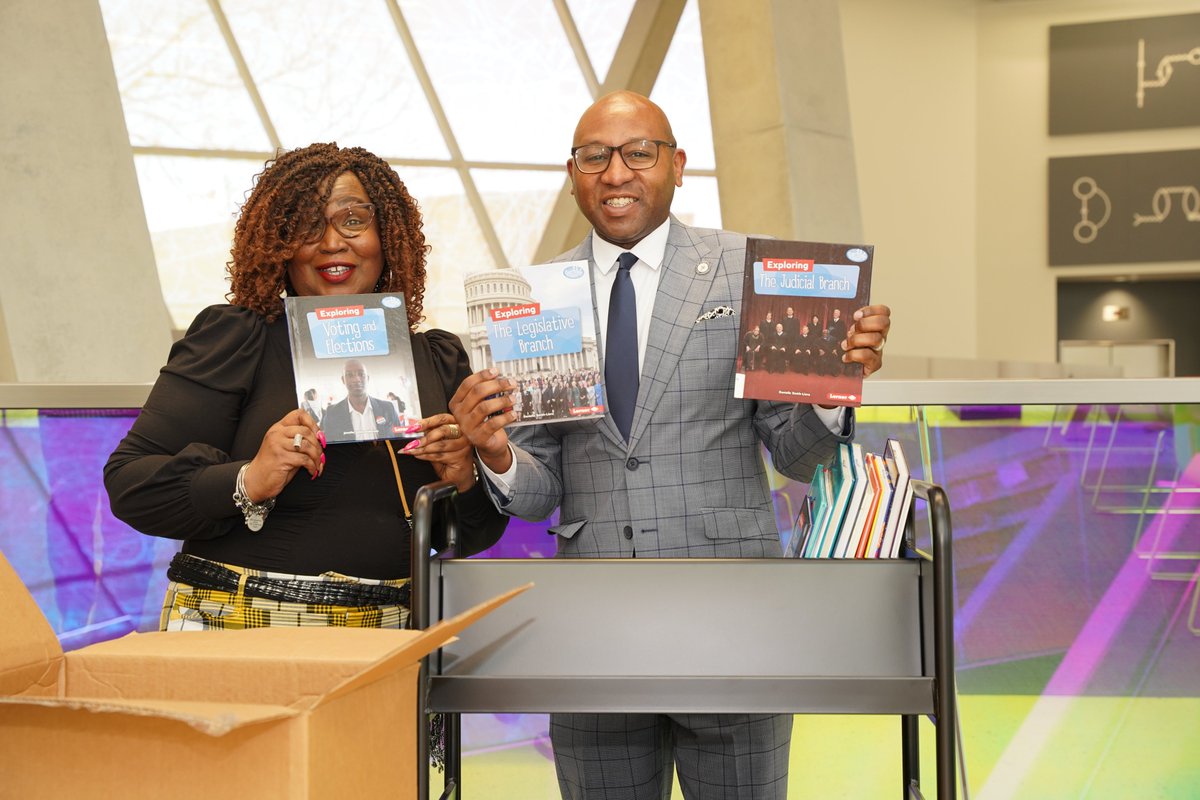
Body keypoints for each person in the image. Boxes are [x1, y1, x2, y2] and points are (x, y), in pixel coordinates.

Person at [449, 92, 890, 799]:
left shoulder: (751, 270)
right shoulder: (536, 299)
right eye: (595, 156)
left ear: (677, 164)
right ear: (573, 172)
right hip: (593, 638)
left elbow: (798, 455)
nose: (615, 171)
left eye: (637, 152)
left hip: (735, 625)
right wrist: (497, 452)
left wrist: (835, 387)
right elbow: (539, 494)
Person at [104, 142, 506, 632]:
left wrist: (462, 475)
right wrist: (250, 478)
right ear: (279, 244)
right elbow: (130, 485)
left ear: (387, 236)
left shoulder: (435, 359)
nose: (332, 242)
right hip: (238, 622)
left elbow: (471, 534)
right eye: (307, 226)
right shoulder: (238, 339)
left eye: (353, 220)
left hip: (397, 632)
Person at [320, 358, 402, 441]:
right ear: (343, 380)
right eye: (349, 375)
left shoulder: (387, 408)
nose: (356, 379)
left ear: (368, 378)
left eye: (361, 374)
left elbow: (400, 440)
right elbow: (330, 447)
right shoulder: (332, 413)